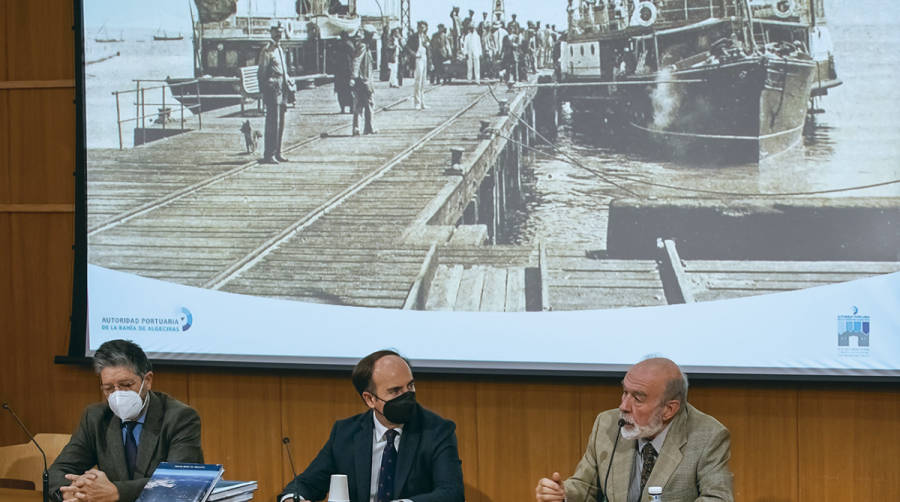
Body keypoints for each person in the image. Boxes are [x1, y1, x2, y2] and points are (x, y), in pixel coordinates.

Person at [535, 357, 733, 502]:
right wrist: (562, 494)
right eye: (624, 392)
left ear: (669, 409)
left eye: (638, 398)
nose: (623, 406)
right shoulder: (607, 424)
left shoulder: (708, 436)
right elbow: (586, 486)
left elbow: (718, 498)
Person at [278, 350, 465, 502]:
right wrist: (291, 499)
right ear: (370, 399)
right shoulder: (345, 433)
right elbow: (307, 483)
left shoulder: (437, 431)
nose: (407, 395)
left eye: (410, 386)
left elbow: (452, 493)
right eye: (395, 391)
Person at [48, 339, 203, 502]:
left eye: (126, 385)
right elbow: (56, 472)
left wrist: (117, 492)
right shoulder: (95, 418)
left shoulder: (180, 418)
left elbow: (180, 482)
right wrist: (69, 492)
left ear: (148, 381)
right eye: (108, 389)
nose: (118, 395)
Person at [258, 24, 296, 164]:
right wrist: (263, 90)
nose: (278, 36)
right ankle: (269, 154)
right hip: (273, 87)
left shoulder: (280, 48)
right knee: (273, 121)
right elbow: (261, 72)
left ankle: (278, 151)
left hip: (283, 86)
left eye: (280, 33)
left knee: (281, 121)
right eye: (276, 33)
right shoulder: (267, 51)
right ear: (271, 34)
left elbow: (284, 70)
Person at [350, 30, 376, 135]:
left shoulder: (364, 46)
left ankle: (358, 128)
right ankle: (368, 128)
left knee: (360, 104)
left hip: (363, 79)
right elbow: (356, 61)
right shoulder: (363, 47)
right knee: (368, 103)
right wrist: (353, 77)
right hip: (364, 80)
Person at [406, 21, 431, 110]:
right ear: (418, 28)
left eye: (424, 27)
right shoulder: (413, 37)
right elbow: (407, 47)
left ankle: (423, 102)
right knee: (418, 81)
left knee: (424, 81)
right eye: (421, 27)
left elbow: (428, 49)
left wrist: (430, 62)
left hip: (424, 58)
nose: (422, 29)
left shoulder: (426, 37)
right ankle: (417, 102)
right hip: (418, 59)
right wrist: (413, 54)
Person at [334, 31, 355, 113]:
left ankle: (343, 108)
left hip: (340, 71)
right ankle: (351, 108)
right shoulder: (349, 44)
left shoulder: (339, 45)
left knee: (341, 91)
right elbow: (353, 55)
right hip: (347, 71)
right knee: (349, 90)